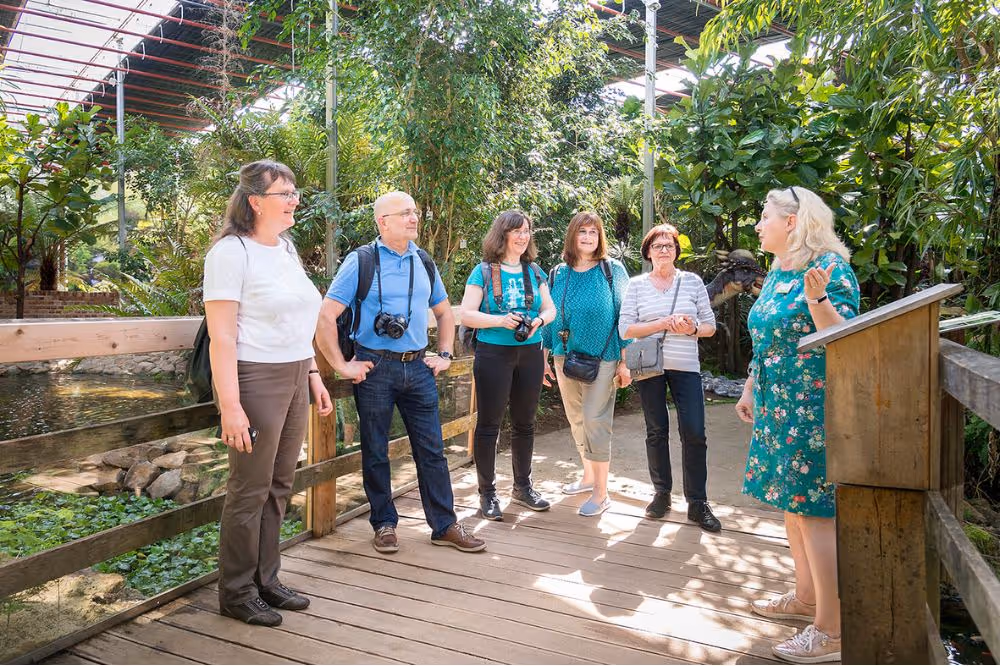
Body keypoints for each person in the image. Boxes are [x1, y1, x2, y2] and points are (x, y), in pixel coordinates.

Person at [315, 190, 486, 555]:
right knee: (376, 450)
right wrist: (340, 365)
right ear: (383, 221)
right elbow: (326, 316)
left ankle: (444, 524)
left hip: (418, 366)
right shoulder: (360, 261)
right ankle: (385, 524)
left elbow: (444, 313)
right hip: (374, 367)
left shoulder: (422, 261)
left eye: (415, 211)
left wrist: (443, 354)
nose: (413, 218)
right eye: (405, 213)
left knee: (433, 450)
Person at [204, 160, 334, 627]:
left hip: (296, 374)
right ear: (256, 201)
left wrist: (314, 375)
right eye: (285, 192)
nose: (295, 199)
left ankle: (267, 581)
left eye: (295, 190)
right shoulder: (230, 252)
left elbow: (300, 322)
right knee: (249, 488)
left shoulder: (286, 248)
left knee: (280, 484)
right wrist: (232, 406)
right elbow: (222, 337)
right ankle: (236, 592)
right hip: (254, 378)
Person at [736, 186, 859, 664]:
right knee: (792, 506)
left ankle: (831, 630)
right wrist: (749, 384)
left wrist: (819, 298)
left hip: (812, 408)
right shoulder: (777, 270)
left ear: (792, 222)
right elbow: (766, 337)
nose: (758, 224)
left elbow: (843, 337)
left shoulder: (827, 267)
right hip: (776, 403)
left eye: (764, 216)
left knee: (814, 511)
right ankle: (806, 598)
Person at [618, 223, 721, 532]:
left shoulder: (692, 282)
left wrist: (691, 328)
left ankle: (697, 502)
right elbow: (626, 329)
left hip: (686, 365)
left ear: (677, 251)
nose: (664, 250)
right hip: (649, 366)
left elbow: (710, 326)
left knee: (694, 432)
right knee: (656, 430)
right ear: (648, 252)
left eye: (670, 246)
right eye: (658, 246)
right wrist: (662, 322)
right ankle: (661, 494)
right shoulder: (636, 285)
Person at [459, 210, 557, 521]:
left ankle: (522, 487)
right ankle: (487, 494)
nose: (522, 236)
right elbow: (467, 314)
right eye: (516, 231)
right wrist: (500, 320)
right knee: (489, 424)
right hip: (493, 354)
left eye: (527, 230)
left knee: (525, 422)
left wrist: (539, 320)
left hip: (529, 353)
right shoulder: (483, 272)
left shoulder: (534, 271)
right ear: (502, 235)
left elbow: (551, 308)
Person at [542, 211, 631, 517]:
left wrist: (624, 362)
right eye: (583, 232)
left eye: (594, 232)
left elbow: (625, 317)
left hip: (604, 357)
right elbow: (549, 316)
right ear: (573, 236)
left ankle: (601, 492)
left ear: (600, 237)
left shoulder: (612, 270)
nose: (589, 237)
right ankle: (588, 475)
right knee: (577, 418)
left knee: (595, 419)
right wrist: (545, 355)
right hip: (565, 355)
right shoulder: (559, 272)